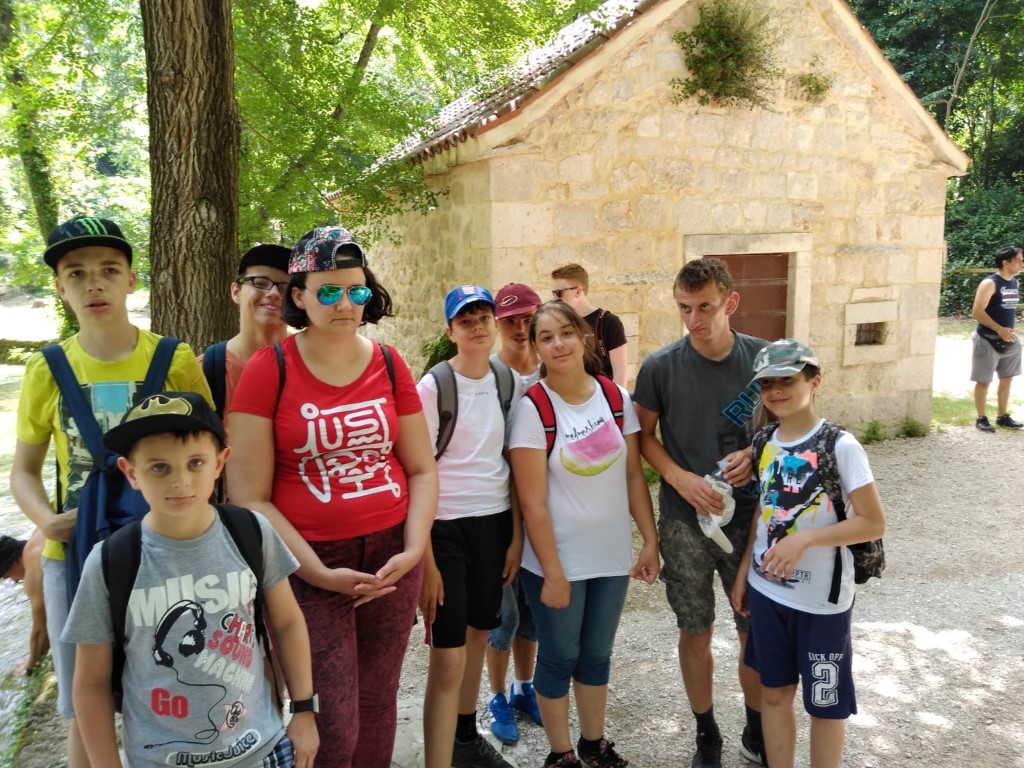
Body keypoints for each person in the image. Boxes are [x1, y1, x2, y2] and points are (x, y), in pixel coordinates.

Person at [227, 225, 436, 768]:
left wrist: (414, 551)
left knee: (379, 703)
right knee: (330, 723)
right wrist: (318, 572)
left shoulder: (389, 363)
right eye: (328, 292)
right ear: (298, 296)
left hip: (392, 556)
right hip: (306, 564)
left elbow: (420, 468)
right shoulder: (268, 369)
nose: (345, 304)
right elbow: (248, 495)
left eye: (356, 290)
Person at [10, 214, 212, 768]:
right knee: (85, 705)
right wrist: (47, 522)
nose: (93, 283)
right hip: (72, 556)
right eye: (76, 273)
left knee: (178, 681)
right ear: (60, 287)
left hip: (167, 554)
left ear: (131, 280)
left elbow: (206, 455)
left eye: (108, 269)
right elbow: (24, 471)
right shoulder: (47, 369)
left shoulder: (173, 359)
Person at [62, 391, 318, 768]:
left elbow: (288, 622)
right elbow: (90, 683)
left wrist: (304, 710)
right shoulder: (110, 562)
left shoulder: (252, 532)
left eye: (195, 463)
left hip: (262, 748)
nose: (180, 481)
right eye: (159, 468)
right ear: (131, 473)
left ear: (220, 462)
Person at [509, 300, 659, 768]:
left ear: (583, 337)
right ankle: (561, 755)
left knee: (596, 655)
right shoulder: (533, 409)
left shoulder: (613, 397)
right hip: (556, 562)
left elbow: (633, 475)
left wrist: (649, 540)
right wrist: (553, 573)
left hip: (609, 555)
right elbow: (532, 503)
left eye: (565, 333)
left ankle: (594, 745)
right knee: (560, 655)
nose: (558, 344)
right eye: (546, 337)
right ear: (536, 348)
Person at [632, 257, 769, 768]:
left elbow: (790, 424)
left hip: (750, 520)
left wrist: (755, 454)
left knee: (753, 629)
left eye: (705, 307)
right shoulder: (660, 367)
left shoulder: (764, 360)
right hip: (684, 521)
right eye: (684, 308)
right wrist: (679, 478)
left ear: (731, 302)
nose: (694, 320)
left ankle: (756, 729)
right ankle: (706, 732)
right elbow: (642, 436)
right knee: (695, 631)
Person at [731, 339, 887, 768]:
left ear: (814, 382)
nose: (776, 390)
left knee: (825, 704)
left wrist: (804, 540)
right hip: (767, 593)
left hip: (822, 602)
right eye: (766, 384)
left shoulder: (841, 446)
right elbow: (764, 512)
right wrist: (744, 573)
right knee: (774, 693)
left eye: (787, 380)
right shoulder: (763, 441)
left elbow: (873, 522)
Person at [418, 285, 519, 768]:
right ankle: (439, 757)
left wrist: (516, 538)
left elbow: (513, 462)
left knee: (479, 632)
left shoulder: (507, 381)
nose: (477, 327)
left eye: (484, 318)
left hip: (493, 525)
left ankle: (464, 739)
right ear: (450, 330)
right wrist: (425, 560)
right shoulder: (433, 388)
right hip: (444, 529)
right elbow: (417, 472)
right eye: (466, 320)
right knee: (448, 652)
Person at [486, 283, 544, 745]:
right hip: (499, 508)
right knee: (502, 611)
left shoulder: (552, 370)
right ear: (497, 323)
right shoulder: (487, 374)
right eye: (511, 320)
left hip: (543, 505)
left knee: (532, 609)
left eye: (528, 318)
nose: (521, 328)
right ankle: (497, 695)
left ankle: (525, 688)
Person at [201, 243, 291, 418]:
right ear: (236, 291)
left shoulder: (313, 365)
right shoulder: (205, 371)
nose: (273, 293)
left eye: (285, 288)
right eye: (260, 283)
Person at [970, 244, 1024, 432]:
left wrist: (1006, 332)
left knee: (1007, 378)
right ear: (1005, 262)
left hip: (1009, 340)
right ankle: (981, 418)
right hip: (987, 339)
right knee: (983, 380)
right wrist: (999, 329)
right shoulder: (990, 283)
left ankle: (1002, 416)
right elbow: (977, 311)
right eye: (1019, 261)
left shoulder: (1015, 283)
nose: (1022, 264)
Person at [550, 264, 627, 387]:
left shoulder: (608, 322)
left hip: (603, 396)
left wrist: (613, 399)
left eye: (559, 293)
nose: (554, 299)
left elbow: (620, 374)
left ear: (578, 291)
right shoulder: (560, 324)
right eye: (554, 293)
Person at [0, 529, 49, 673]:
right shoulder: (37, 535)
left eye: (8, 576)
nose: (14, 580)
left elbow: (42, 630)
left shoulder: (31, 573)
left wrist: (30, 667)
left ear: (14, 563)